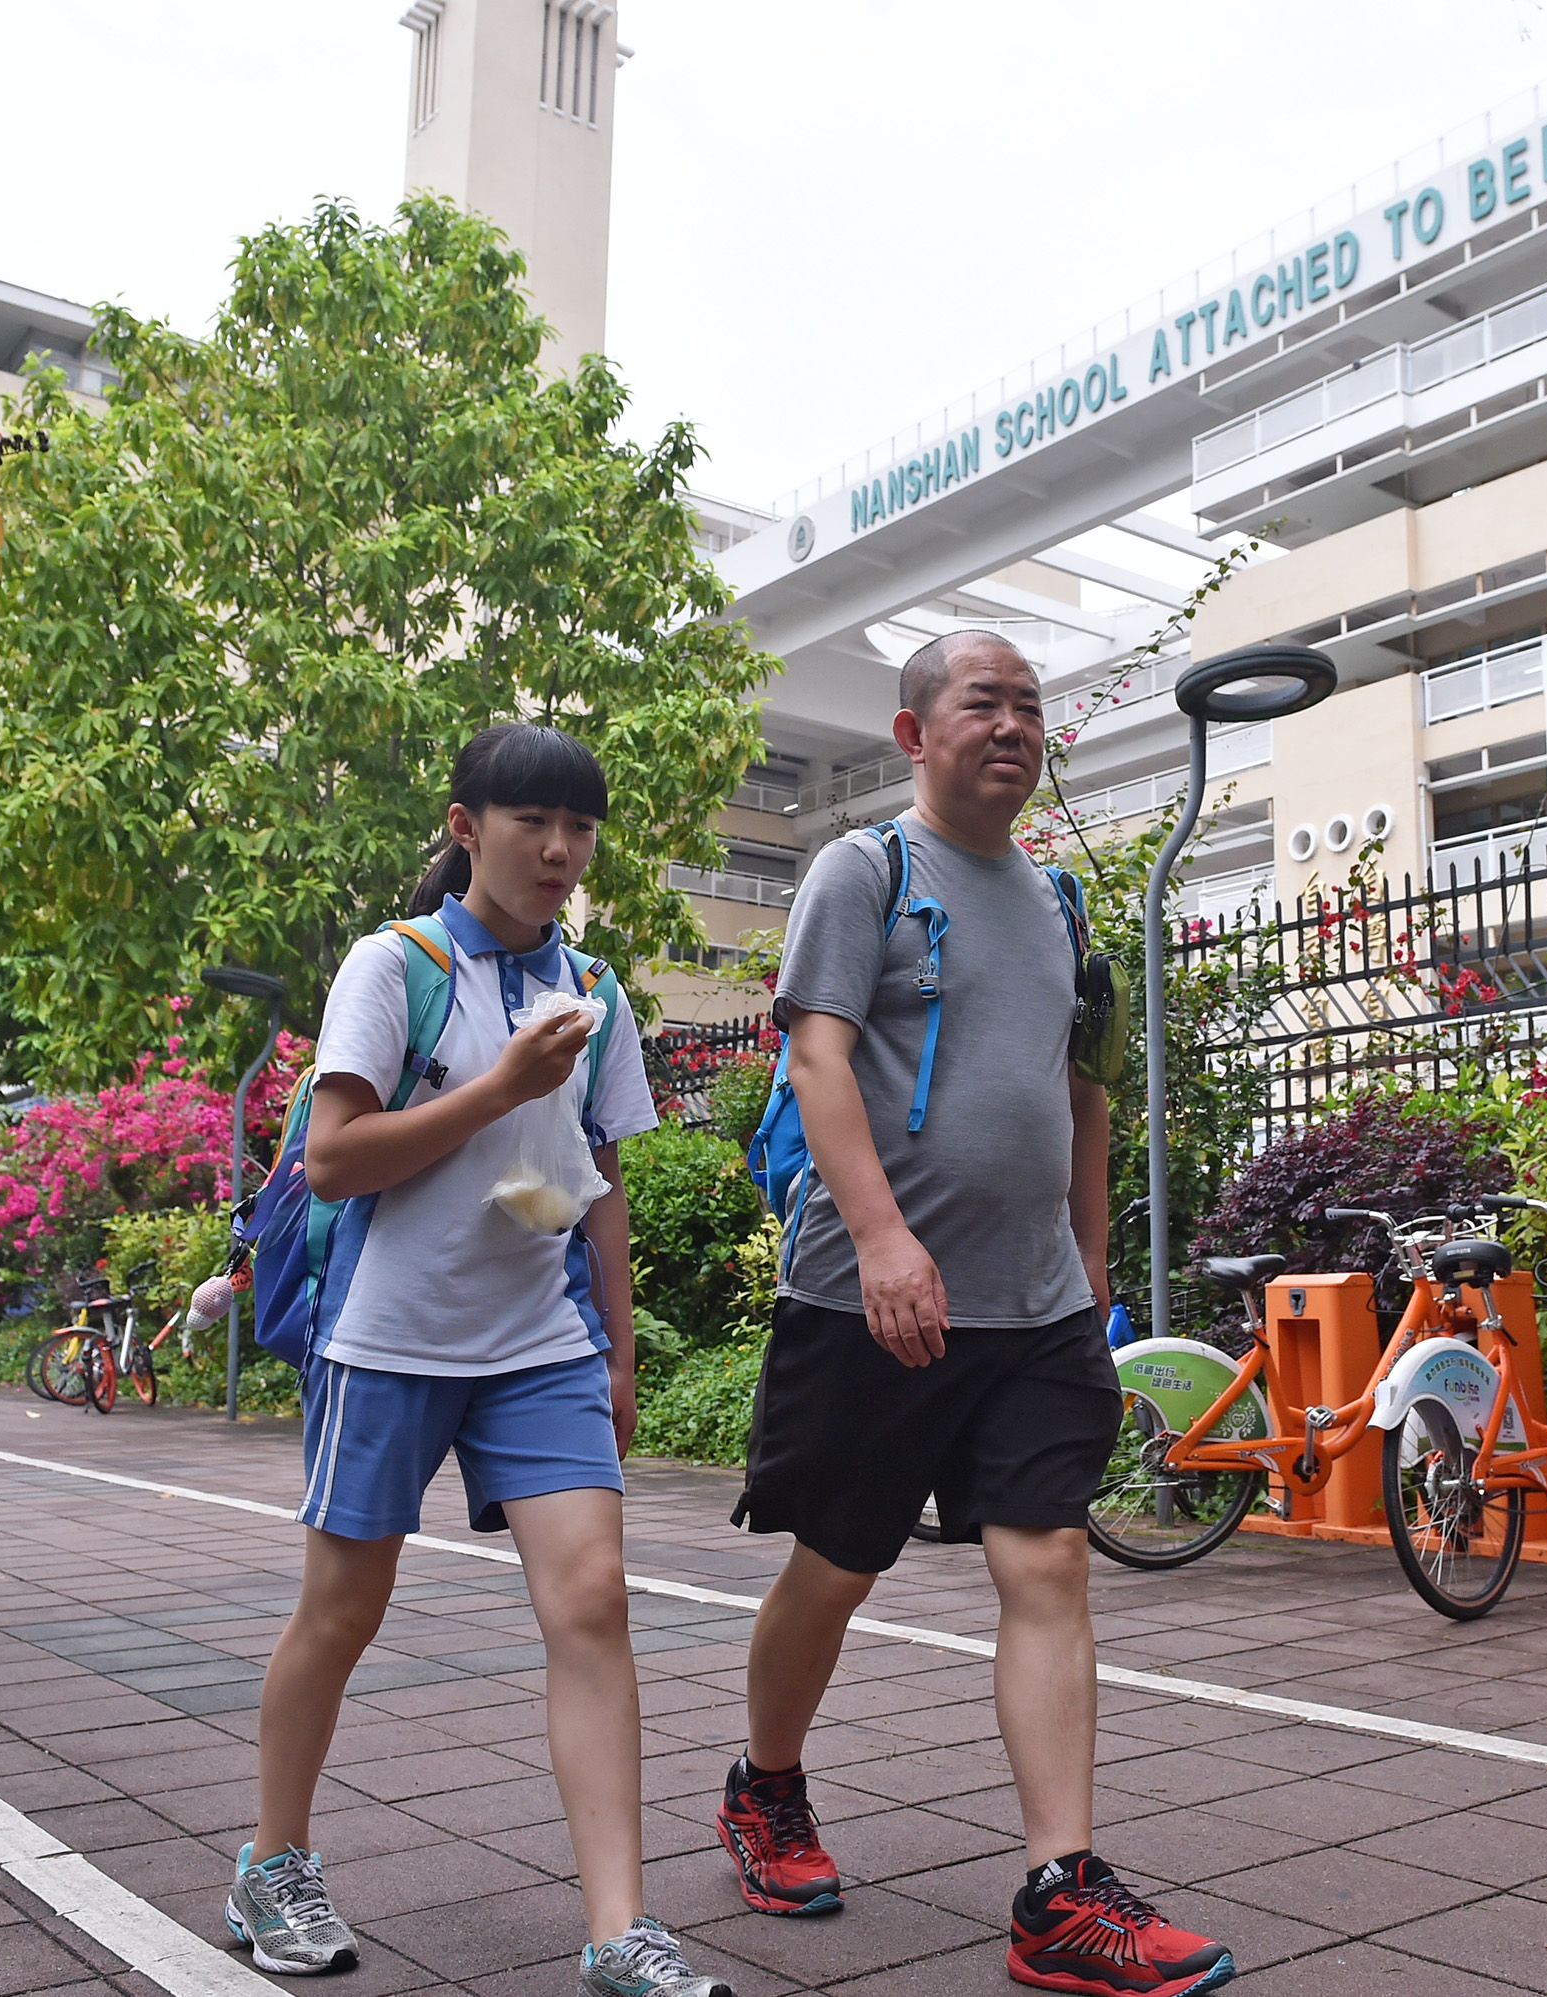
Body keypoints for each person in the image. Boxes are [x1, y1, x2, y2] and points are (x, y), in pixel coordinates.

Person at [717, 632, 1237, 1997]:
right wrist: (884, 1240)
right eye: (980, 703)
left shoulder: (1063, 903)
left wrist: (1089, 1256)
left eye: (1028, 705)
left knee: (1049, 1562)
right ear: (914, 735)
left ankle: (1058, 1889)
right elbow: (816, 1053)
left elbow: (1086, 1091)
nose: (1010, 725)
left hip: (1033, 1309)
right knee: (835, 1568)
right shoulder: (864, 872)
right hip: (867, 1298)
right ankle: (765, 1787)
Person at [228, 725, 737, 1997]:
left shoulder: (601, 990)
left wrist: (622, 1353)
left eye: (580, 829)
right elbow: (338, 1156)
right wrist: (505, 1084)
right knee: (342, 1612)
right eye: (532, 823)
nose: (560, 850)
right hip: (386, 1338)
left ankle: (621, 1930)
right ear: (466, 825)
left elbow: (606, 1179)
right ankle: (271, 1860)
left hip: (540, 1343)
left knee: (595, 1602)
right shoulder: (393, 965)